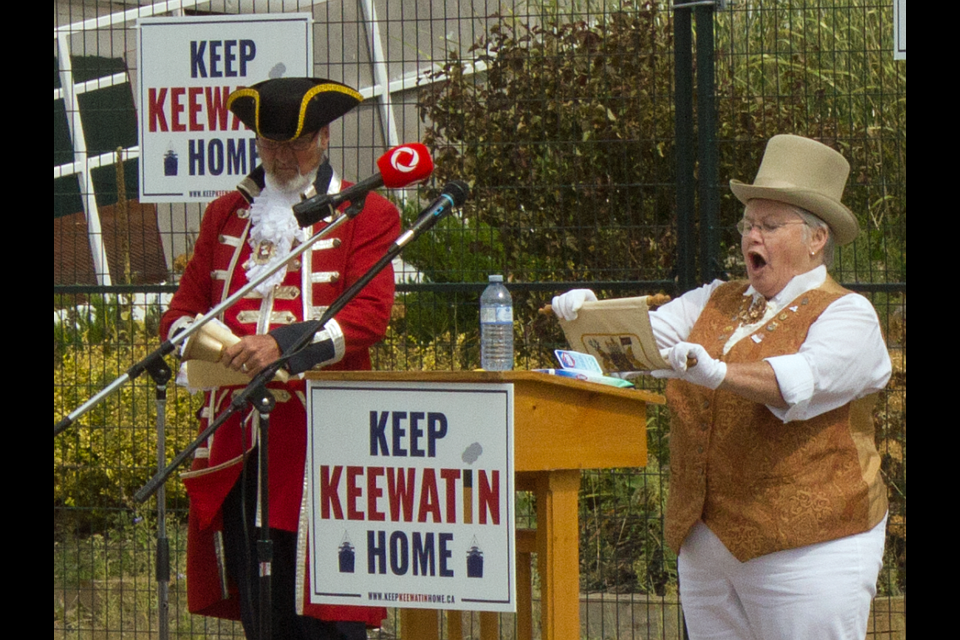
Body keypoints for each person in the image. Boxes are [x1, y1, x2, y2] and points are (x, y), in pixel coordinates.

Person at [552, 134, 891, 640]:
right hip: (706, 546)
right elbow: (637, 346)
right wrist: (587, 317)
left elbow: (799, 382)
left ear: (817, 239)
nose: (753, 236)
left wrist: (718, 373)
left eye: (771, 225)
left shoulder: (848, 314)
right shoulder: (713, 299)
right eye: (748, 224)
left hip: (812, 549)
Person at [160, 78, 398, 640]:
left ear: (323, 136)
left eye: (295, 145)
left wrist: (283, 345)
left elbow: (367, 316)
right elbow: (183, 308)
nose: (282, 158)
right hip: (238, 432)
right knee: (260, 606)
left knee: (329, 605)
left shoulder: (365, 213)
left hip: (323, 436)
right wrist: (195, 339)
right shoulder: (225, 213)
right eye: (270, 146)